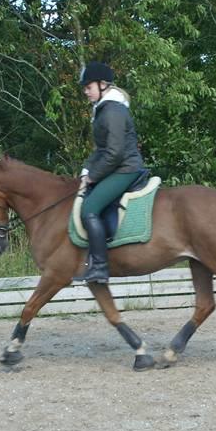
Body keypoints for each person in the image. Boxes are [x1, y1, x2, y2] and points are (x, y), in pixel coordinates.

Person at [77, 61, 145, 284]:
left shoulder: (113, 110)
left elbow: (114, 153)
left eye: (88, 87)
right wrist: (86, 170)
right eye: (85, 88)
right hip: (117, 165)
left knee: (89, 209)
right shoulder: (104, 109)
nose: (86, 92)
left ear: (103, 84)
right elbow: (101, 150)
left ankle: (100, 268)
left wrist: (93, 176)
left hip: (125, 168)